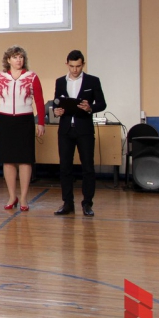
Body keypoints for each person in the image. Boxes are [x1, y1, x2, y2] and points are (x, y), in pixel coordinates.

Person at [0, 46, 45, 212]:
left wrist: (41, 122)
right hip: (5, 120)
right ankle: (12, 196)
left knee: (25, 159)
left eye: (21, 57)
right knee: (8, 160)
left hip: (25, 120)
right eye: (15, 57)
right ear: (8, 60)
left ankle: (24, 197)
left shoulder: (32, 77)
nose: (18, 60)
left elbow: (39, 101)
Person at [52, 50, 107, 217]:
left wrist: (90, 108)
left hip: (84, 130)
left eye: (78, 66)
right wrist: (56, 111)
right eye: (72, 66)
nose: (75, 69)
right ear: (67, 64)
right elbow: (56, 103)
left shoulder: (92, 81)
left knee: (88, 167)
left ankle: (87, 203)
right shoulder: (60, 81)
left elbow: (102, 104)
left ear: (83, 64)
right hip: (65, 130)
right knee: (65, 167)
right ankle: (67, 203)